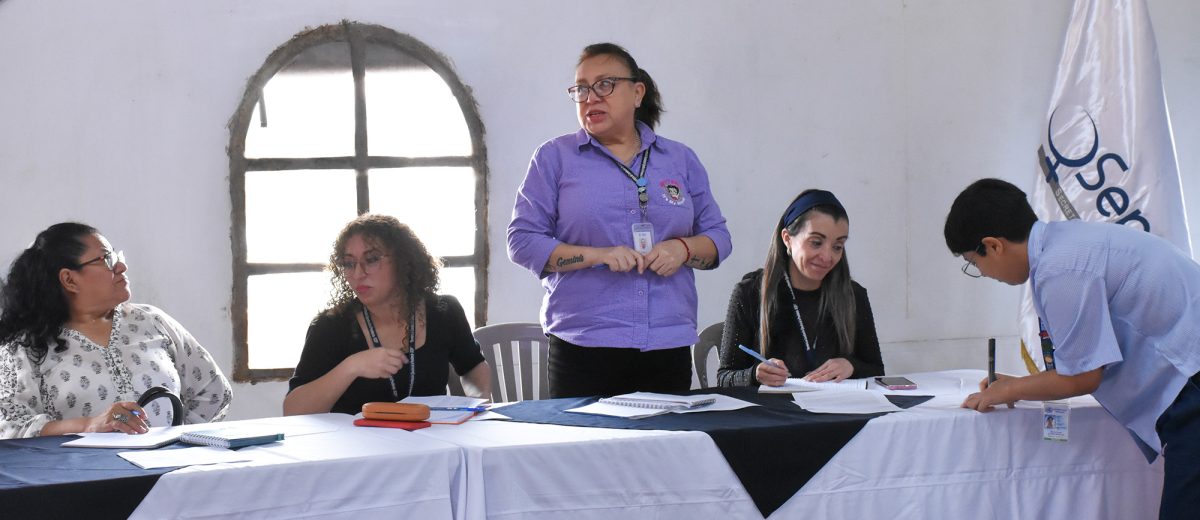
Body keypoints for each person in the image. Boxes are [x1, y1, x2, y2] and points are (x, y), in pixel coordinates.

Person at [944, 178, 1200, 518]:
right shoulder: (1065, 243)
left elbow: (1083, 376)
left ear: (993, 246)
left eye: (974, 263)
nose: (983, 273)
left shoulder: (1059, 269)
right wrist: (1016, 385)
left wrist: (1008, 391)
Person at [507, 43, 732, 398]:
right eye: (581, 89)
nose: (590, 98)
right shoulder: (554, 158)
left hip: (666, 343)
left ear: (637, 92)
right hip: (584, 345)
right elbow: (522, 241)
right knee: (585, 437)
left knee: (664, 436)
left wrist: (683, 249)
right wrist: (598, 256)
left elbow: (718, 237)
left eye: (604, 84)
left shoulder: (679, 159)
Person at [0, 223, 232, 439]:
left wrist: (174, 442)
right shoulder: (25, 346)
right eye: (106, 259)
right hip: (81, 470)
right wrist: (89, 426)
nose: (121, 267)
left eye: (116, 256)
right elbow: (10, 427)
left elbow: (214, 393)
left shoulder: (151, 321)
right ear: (69, 280)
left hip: (164, 467)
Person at [284, 214, 491, 415]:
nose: (358, 274)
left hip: (434, 436)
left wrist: (478, 402)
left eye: (371, 259)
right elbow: (293, 410)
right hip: (359, 439)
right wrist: (352, 367)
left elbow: (473, 367)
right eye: (348, 263)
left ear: (403, 261)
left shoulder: (444, 311)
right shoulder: (330, 326)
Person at [717, 190, 884, 387]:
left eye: (837, 246)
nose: (827, 257)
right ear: (787, 239)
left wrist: (851, 366)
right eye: (816, 243)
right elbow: (724, 378)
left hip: (835, 405)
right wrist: (754, 375)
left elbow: (877, 370)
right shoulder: (749, 292)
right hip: (772, 407)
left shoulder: (853, 295)